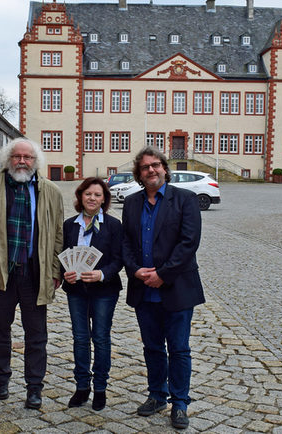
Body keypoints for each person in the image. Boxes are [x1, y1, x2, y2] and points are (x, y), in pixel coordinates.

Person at [0, 138, 63, 410]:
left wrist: (55, 269)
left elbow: (58, 234)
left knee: (37, 335)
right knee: (0, 331)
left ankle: (34, 387)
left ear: (36, 162)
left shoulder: (50, 191)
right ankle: (2, 379)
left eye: (28, 157)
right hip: (3, 272)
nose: (22, 161)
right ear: (7, 159)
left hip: (35, 274)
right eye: (17, 156)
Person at [122, 147, 205, 429]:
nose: (151, 170)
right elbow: (127, 244)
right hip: (144, 289)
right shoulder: (132, 203)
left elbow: (189, 242)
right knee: (153, 347)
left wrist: (163, 274)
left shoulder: (185, 199)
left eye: (155, 165)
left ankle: (180, 403)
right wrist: (135, 270)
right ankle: (157, 394)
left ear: (165, 169)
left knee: (179, 348)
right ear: (139, 175)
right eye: (145, 167)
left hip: (177, 288)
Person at [62, 177, 123, 411]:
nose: (92, 198)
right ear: (80, 196)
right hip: (76, 290)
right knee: (80, 338)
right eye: (88, 194)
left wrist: (102, 274)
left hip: (104, 291)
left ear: (104, 199)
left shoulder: (113, 225)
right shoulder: (70, 225)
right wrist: (64, 272)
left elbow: (119, 259)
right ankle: (81, 387)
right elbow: (62, 254)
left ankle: (100, 388)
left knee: (100, 337)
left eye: (97, 195)